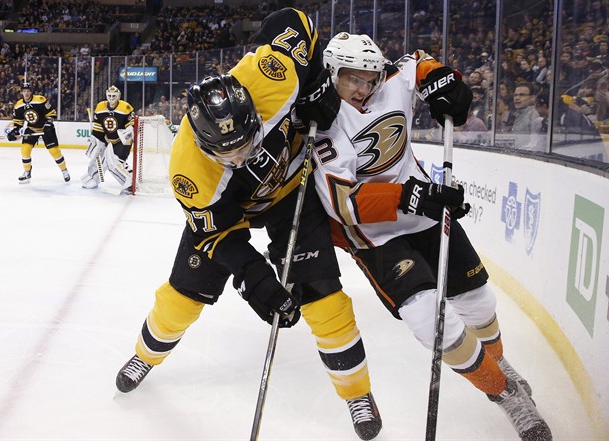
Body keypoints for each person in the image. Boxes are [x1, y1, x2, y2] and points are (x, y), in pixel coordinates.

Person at [115, 9, 381, 441]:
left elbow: (295, 20)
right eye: (228, 154)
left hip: (290, 191)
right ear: (203, 144)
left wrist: (314, 83)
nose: (240, 158)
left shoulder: (269, 79)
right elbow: (217, 233)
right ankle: (146, 354)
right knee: (184, 294)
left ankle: (356, 393)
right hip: (230, 217)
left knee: (320, 290)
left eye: (247, 143)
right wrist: (252, 274)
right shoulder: (189, 171)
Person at [311, 32, 552, 441]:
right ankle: (505, 393)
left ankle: (499, 365)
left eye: (369, 79)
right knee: (427, 318)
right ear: (331, 73)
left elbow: (417, 63)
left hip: (424, 215)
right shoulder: (322, 123)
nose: (363, 88)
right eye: (352, 78)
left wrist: (441, 79)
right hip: (374, 237)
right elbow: (343, 205)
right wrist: (412, 196)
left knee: (478, 301)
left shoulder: (390, 80)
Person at [8, 82, 70, 184]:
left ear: (31, 92)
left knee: (54, 151)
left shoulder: (40, 100)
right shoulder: (18, 105)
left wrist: (48, 124)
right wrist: (15, 130)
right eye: (24, 91)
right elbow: (18, 121)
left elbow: (51, 113)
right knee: (25, 150)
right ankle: (27, 172)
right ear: (21, 92)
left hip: (46, 128)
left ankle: (64, 170)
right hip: (32, 128)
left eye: (28, 91)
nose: (26, 93)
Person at [81, 85, 135, 192]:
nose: (111, 97)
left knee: (115, 163)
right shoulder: (100, 107)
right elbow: (98, 128)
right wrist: (96, 140)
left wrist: (129, 131)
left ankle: (130, 182)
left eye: (114, 95)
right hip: (107, 138)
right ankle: (92, 178)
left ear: (118, 96)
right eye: (109, 95)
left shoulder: (125, 107)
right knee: (98, 159)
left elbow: (131, 124)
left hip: (122, 140)